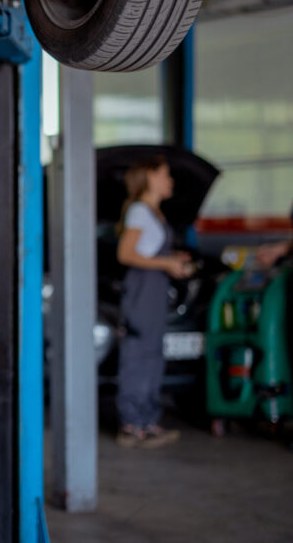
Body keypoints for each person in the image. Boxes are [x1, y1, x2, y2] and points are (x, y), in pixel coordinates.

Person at [114, 156, 192, 448]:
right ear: (149, 177)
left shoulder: (153, 213)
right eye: (166, 174)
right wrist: (165, 263)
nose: (170, 181)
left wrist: (173, 260)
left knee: (152, 354)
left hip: (155, 289)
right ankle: (132, 425)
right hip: (143, 291)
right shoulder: (138, 212)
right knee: (139, 353)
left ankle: (147, 421)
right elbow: (126, 254)